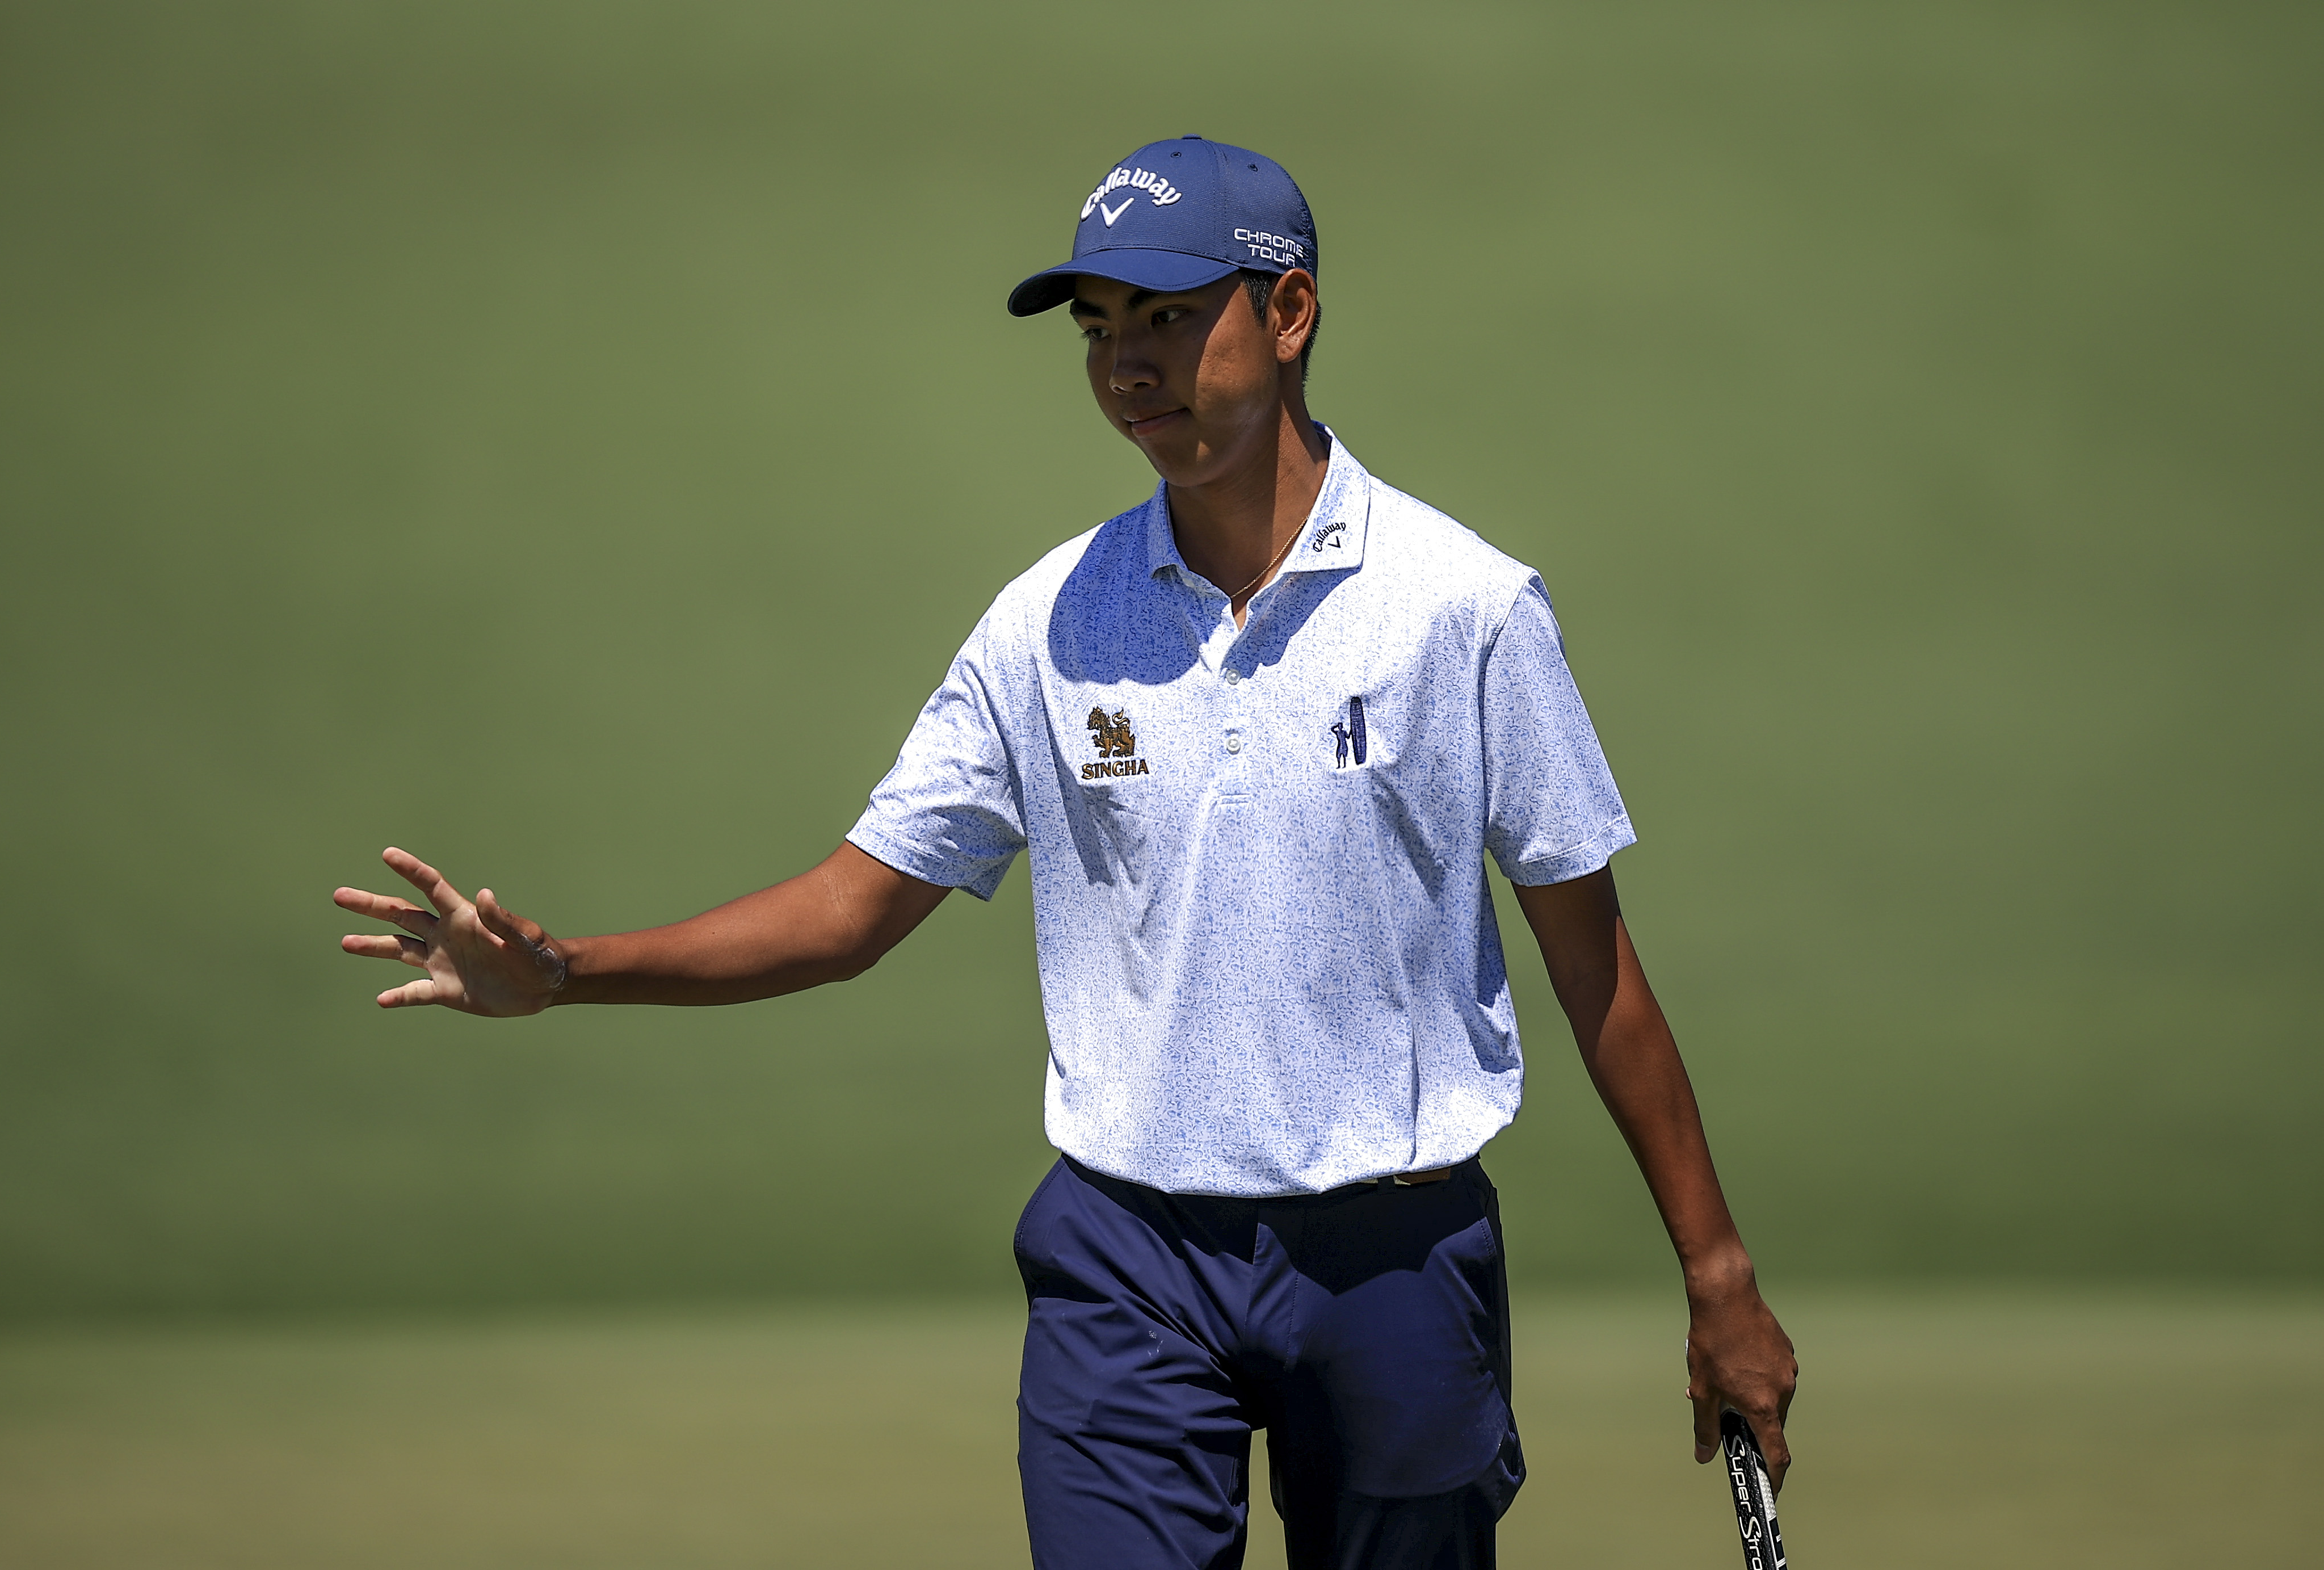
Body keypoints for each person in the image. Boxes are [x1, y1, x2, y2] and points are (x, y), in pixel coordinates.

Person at [334, 136, 1797, 1570]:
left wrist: (1717, 1274)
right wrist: (568, 971)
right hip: (1127, 1258)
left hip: (1394, 1259)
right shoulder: (1047, 622)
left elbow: (1594, 967)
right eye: (1100, 330)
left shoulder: (1465, 608)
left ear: (1289, 312)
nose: (1127, 367)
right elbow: (850, 909)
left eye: (1167, 318)